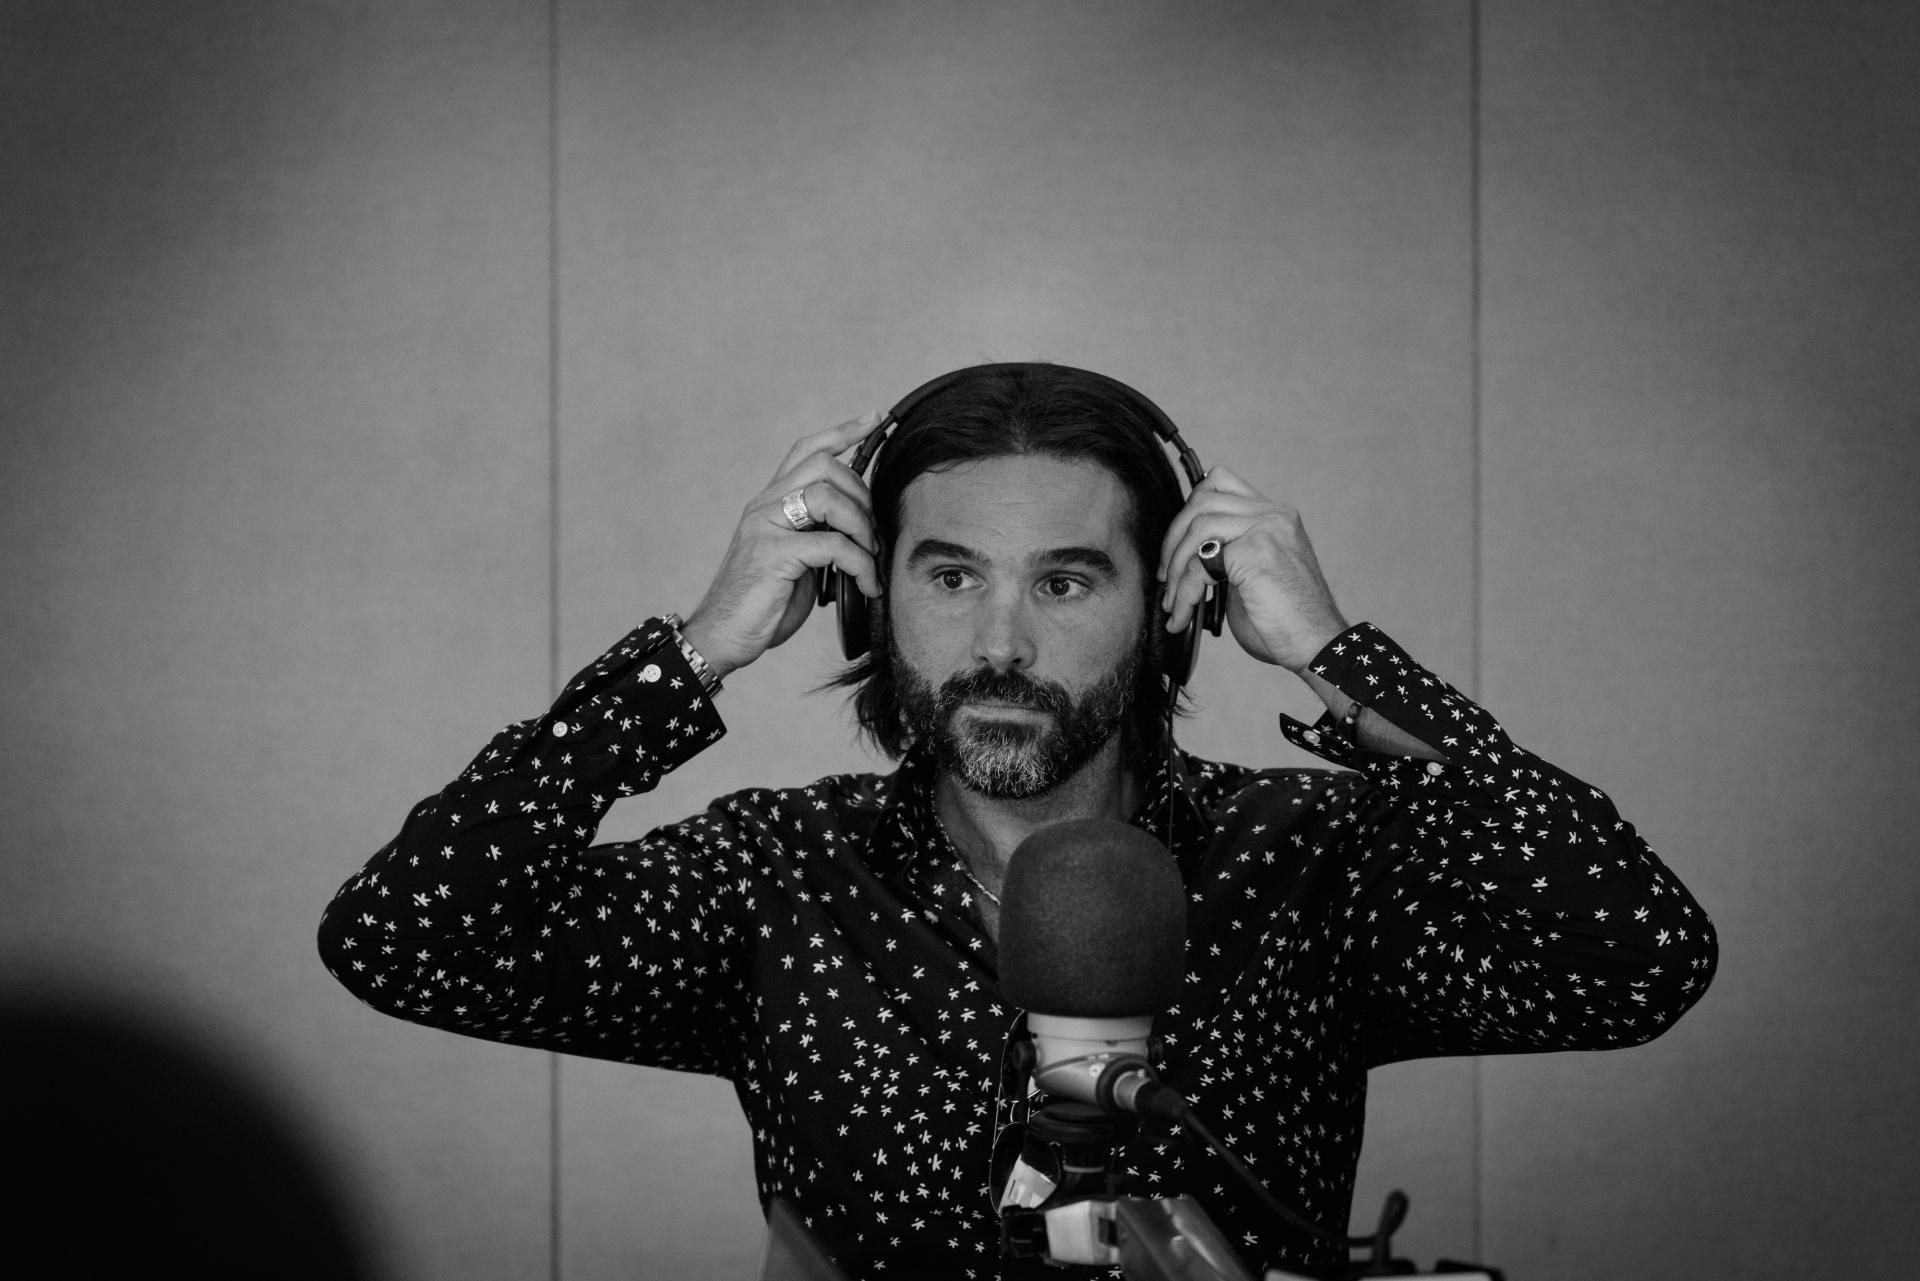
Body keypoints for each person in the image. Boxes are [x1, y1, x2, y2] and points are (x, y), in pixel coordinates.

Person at [318, 363, 1716, 1279]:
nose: (998, 643)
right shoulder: (776, 878)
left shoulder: (1307, 861)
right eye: (947, 577)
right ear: (869, 601)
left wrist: (1344, 661)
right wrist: (693, 653)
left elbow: (1640, 958)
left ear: (1172, 604)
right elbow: (405, 938)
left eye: (1063, 582)